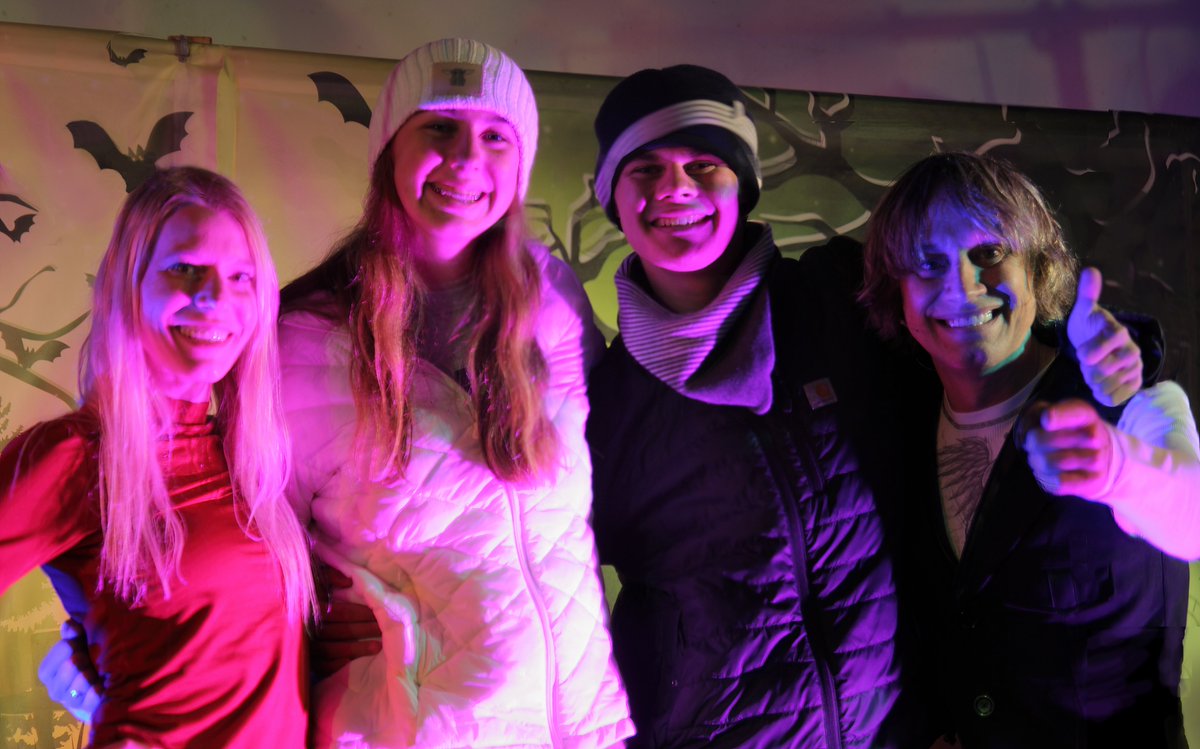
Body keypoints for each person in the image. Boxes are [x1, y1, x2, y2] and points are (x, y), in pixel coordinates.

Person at [276, 38, 630, 748]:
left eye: (496, 136)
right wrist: (312, 614)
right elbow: (254, 535)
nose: (467, 159)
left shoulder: (553, 301)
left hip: (577, 727)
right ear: (389, 152)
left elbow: (612, 476)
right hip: (405, 728)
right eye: (439, 127)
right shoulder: (305, 333)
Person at [584, 63, 919, 749]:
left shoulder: (838, 305)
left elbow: (983, 376)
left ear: (746, 186)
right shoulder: (606, 401)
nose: (674, 186)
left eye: (704, 163)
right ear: (613, 198)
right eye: (643, 168)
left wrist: (1113, 375)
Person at [858, 151, 1200, 748]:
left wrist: (1116, 468)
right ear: (897, 296)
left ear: (1038, 271)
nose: (963, 287)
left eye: (988, 254)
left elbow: (1193, 517)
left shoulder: (1127, 397)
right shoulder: (899, 422)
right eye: (927, 263)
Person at [0, 166, 316, 748]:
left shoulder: (253, 462)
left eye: (240, 276)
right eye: (184, 269)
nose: (215, 297)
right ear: (130, 284)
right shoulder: (79, 456)